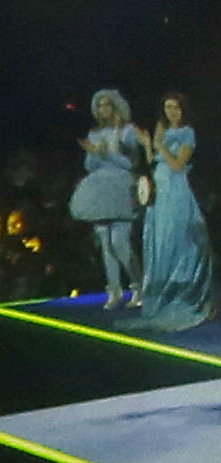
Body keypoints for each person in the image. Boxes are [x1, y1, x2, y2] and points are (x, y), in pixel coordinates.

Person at [142, 88, 212, 332]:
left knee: (178, 241)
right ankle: (161, 296)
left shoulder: (187, 132)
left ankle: (183, 295)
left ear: (183, 110)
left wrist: (159, 145)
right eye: (168, 107)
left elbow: (178, 164)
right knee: (161, 242)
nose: (171, 112)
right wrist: (148, 145)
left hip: (176, 191)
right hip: (159, 193)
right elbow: (153, 161)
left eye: (176, 107)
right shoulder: (162, 129)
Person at [77, 87, 152, 308]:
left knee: (120, 242)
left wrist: (106, 153)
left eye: (106, 105)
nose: (103, 109)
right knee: (105, 243)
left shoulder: (127, 131)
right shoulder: (94, 133)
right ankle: (114, 290)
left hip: (121, 187)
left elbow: (131, 164)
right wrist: (94, 154)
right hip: (99, 189)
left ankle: (138, 287)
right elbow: (90, 166)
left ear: (115, 106)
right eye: (99, 106)